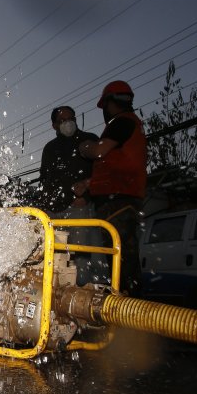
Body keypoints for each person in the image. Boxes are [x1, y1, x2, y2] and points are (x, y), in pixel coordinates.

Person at [76, 81, 147, 295]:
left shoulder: (122, 122)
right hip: (119, 199)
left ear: (110, 103)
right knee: (119, 258)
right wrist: (89, 183)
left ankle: (130, 309)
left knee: (122, 261)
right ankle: (125, 300)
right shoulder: (130, 127)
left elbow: (99, 151)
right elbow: (118, 165)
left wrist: (84, 147)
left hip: (119, 202)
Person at [38, 106, 98, 214]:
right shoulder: (50, 148)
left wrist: (86, 197)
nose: (68, 123)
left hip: (80, 208)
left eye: (71, 119)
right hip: (53, 210)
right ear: (54, 125)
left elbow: (102, 171)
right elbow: (44, 177)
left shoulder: (89, 139)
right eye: (62, 120)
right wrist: (43, 202)